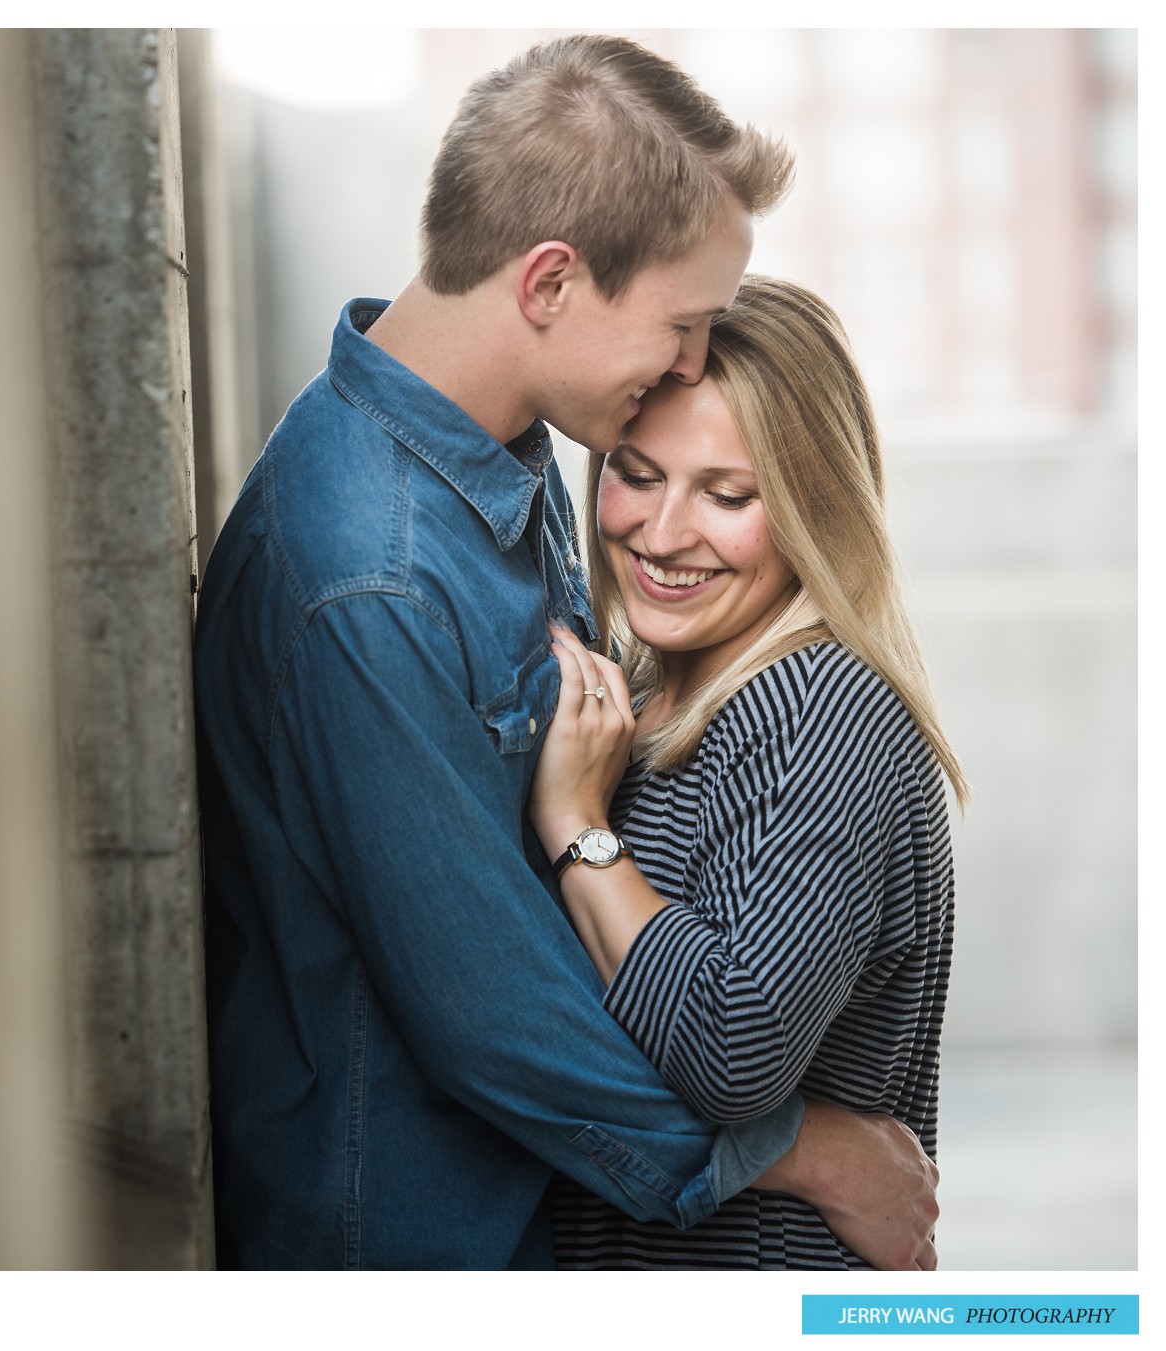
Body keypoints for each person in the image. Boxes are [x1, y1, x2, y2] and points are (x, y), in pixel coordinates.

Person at [193, 34, 939, 1270]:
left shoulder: (517, 462)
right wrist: (800, 1147)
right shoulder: (369, 579)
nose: (695, 364)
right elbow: (493, 1016)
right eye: (685, 324)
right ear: (548, 284)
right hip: (417, 1247)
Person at [534, 275, 964, 1268]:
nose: (664, 533)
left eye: (728, 495)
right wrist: (808, 1152)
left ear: (816, 505)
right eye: (636, 474)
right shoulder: (641, 691)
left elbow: (733, 1051)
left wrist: (575, 823)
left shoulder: (818, 708)